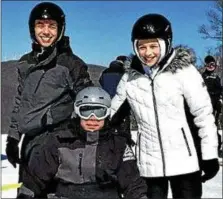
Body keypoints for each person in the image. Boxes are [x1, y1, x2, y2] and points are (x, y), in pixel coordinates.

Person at [110, 13, 219, 199]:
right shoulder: (130, 78)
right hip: (148, 162)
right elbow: (113, 113)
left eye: (153, 45)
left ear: (166, 43)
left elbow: (203, 115)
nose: (148, 52)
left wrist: (209, 154)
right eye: (141, 47)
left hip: (185, 160)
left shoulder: (184, 72)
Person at [5, 1, 92, 191]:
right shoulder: (25, 63)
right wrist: (13, 138)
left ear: (60, 30)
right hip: (29, 143)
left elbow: (88, 103)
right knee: (27, 193)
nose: (46, 31)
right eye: (40, 25)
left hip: (56, 144)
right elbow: (21, 101)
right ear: (32, 28)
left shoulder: (70, 64)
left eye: (52, 26)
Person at [17, 86, 148, 199]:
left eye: (99, 111)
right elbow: (34, 179)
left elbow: (132, 183)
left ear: (107, 113)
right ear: (77, 111)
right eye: (85, 111)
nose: (92, 118)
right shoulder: (58, 141)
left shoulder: (118, 144)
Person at [99, 56, 132, 144]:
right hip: (121, 104)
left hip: (107, 103)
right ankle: (125, 145)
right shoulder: (124, 73)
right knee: (123, 127)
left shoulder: (105, 72)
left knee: (108, 126)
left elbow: (101, 82)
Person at [202, 55, 223, 156]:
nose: (211, 66)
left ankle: (217, 147)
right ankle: (205, 148)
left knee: (213, 126)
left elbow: (219, 90)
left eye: (212, 64)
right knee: (204, 127)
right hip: (204, 105)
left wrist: (216, 98)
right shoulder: (202, 77)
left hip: (214, 105)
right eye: (208, 64)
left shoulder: (216, 77)